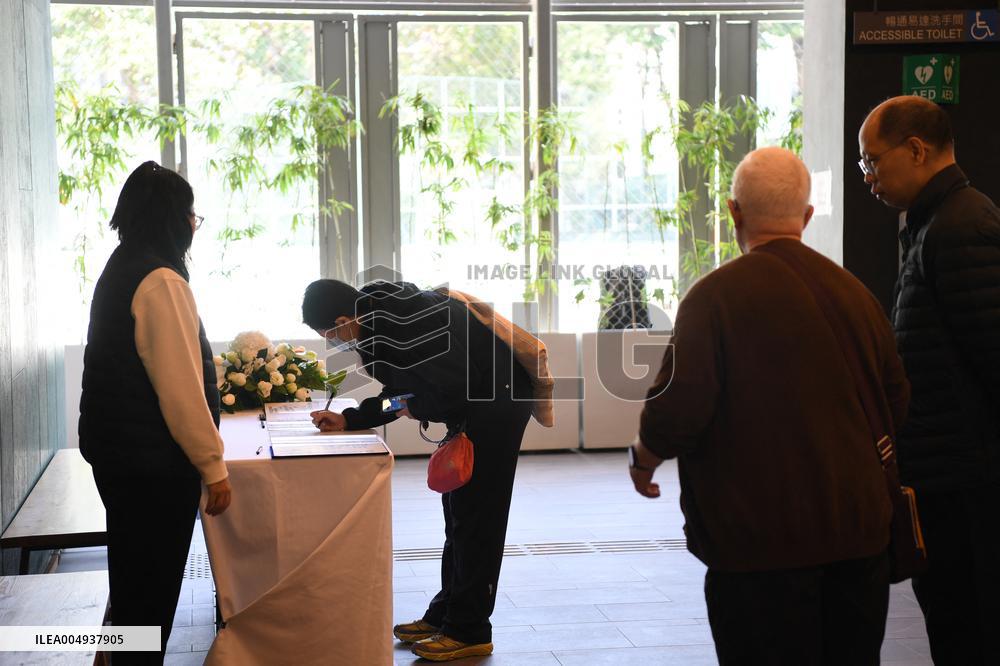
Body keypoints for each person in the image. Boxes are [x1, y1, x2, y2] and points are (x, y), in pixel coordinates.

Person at [629, 147, 910, 665]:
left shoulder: (713, 298)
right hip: (859, 537)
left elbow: (678, 410)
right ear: (805, 217)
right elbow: (897, 399)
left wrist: (643, 459)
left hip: (757, 546)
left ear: (734, 211)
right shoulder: (856, 295)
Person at [302, 279, 540, 662]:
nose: (333, 343)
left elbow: (446, 389)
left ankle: (469, 629)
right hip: (477, 400)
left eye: (328, 334)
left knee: (479, 519)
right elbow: (401, 396)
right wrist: (350, 419)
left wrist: (418, 407)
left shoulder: (401, 324)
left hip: (497, 401)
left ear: (344, 320)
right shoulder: (377, 325)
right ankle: (446, 613)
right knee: (457, 514)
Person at [859, 95, 1000, 664]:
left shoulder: (962, 227)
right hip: (947, 475)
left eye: (872, 162)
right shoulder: (931, 222)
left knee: (972, 624)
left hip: (971, 482)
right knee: (952, 620)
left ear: (916, 150)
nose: (868, 178)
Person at [79, 161, 232, 664]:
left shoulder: (123, 264)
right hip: (153, 468)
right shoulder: (160, 279)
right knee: (150, 593)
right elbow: (180, 390)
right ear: (171, 216)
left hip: (121, 456)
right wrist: (213, 467)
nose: (193, 224)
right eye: (191, 213)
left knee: (131, 584)